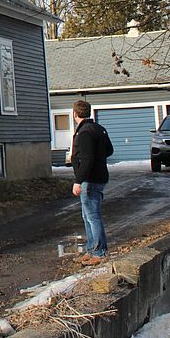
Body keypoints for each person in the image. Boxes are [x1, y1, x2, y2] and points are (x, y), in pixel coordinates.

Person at [71, 99, 114, 266]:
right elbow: (109, 150)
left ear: (75, 114)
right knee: (87, 215)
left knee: (92, 216)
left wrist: (78, 180)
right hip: (100, 176)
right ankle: (91, 249)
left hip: (90, 180)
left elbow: (87, 160)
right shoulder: (99, 129)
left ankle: (99, 252)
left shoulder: (85, 132)